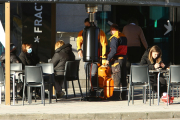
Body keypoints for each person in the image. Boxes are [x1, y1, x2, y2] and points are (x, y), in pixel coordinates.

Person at [77, 18, 108, 87]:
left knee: (93, 74)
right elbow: (79, 40)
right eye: (86, 25)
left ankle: (95, 88)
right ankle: (93, 87)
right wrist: (79, 49)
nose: (86, 27)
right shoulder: (83, 32)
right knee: (88, 71)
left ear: (92, 24)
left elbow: (104, 45)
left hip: (97, 57)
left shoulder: (99, 32)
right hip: (88, 57)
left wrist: (103, 57)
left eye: (88, 25)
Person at [106, 24, 127, 100]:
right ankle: (124, 95)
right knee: (123, 78)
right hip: (124, 59)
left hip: (117, 60)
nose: (110, 32)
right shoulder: (123, 36)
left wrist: (108, 59)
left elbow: (113, 51)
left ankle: (116, 95)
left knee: (116, 77)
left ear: (113, 29)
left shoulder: (115, 38)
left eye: (111, 30)